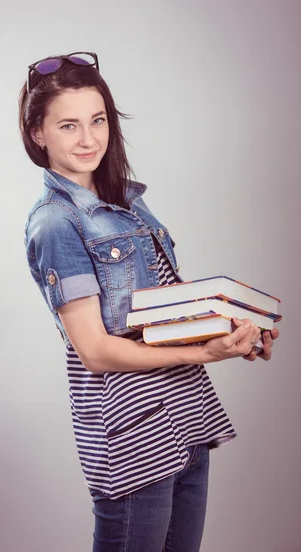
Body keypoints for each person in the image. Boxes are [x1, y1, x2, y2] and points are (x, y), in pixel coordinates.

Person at [18, 52, 279, 552]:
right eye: (68, 125)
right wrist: (205, 354)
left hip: (186, 414)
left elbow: (161, 315)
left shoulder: (129, 204)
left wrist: (235, 334)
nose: (89, 139)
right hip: (135, 435)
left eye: (98, 121)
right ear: (38, 134)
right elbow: (95, 350)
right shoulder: (56, 223)